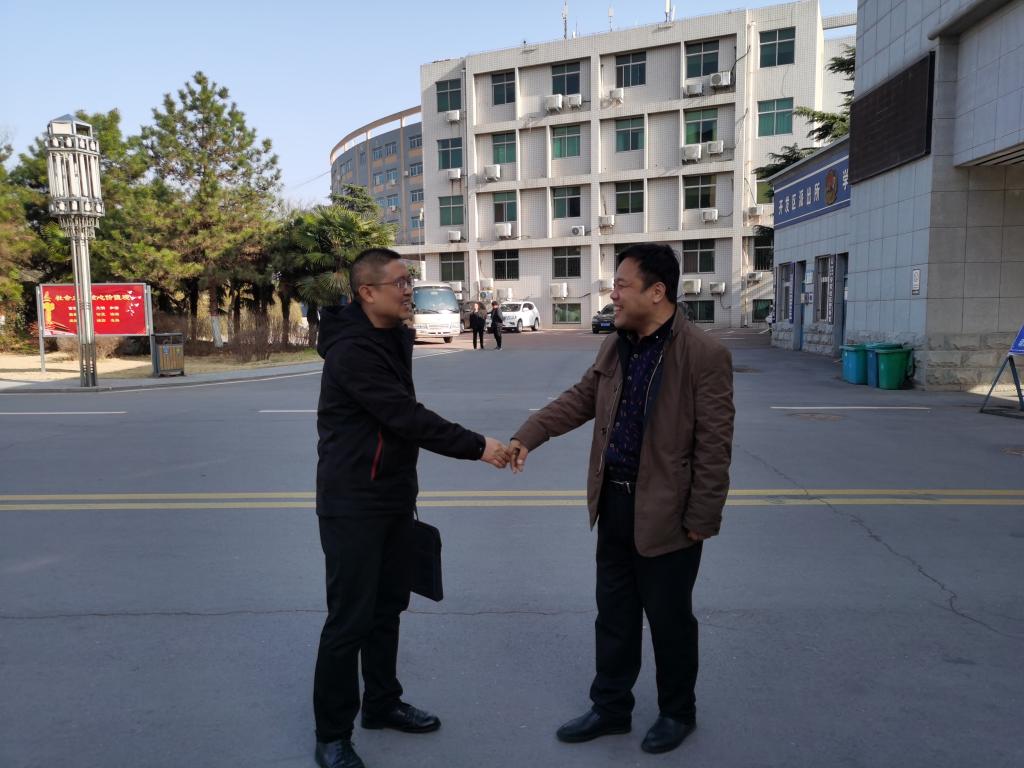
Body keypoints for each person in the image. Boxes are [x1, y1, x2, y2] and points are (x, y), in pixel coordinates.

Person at [507, 243, 734, 755]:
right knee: (613, 614)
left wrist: (701, 517)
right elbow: (581, 398)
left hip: (668, 512)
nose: (613, 294)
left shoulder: (703, 355)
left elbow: (714, 445)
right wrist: (529, 434)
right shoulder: (616, 345)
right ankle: (611, 708)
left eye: (622, 285)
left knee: (670, 620)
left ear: (657, 292)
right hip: (613, 502)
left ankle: (677, 712)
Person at [314, 248, 509, 768]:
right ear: (367, 293)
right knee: (349, 621)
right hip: (353, 502)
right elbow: (405, 417)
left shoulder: (393, 335)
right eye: (400, 283)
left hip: (394, 496)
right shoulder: (351, 351)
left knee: (387, 609)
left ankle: (381, 704)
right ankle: (332, 734)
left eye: (410, 281)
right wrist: (479, 447)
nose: (409, 291)